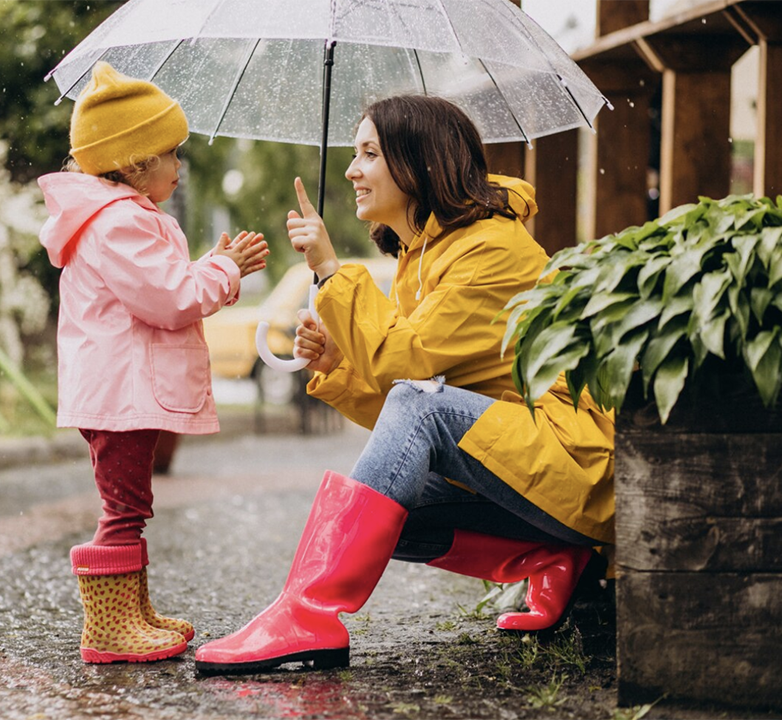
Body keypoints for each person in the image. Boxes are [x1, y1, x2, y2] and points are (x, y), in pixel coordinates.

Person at [194, 95, 614, 675]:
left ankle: (308, 613)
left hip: (572, 460)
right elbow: (407, 407)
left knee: (411, 428)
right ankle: (551, 554)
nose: (350, 170)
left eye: (369, 153)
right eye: (353, 153)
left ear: (418, 164)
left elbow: (407, 369)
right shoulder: (427, 255)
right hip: (526, 466)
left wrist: (331, 273)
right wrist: (338, 369)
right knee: (390, 510)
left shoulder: (490, 249)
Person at [38, 62, 268, 665]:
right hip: (121, 392)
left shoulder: (122, 218)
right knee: (124, 509)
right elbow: (170, 299)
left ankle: (131, 612)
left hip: (124, 388)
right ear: (136, 162)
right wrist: (228, 270)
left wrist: (211, 263)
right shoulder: (117, 223)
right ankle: (107, 630)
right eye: (171, 153)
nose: (179, 164)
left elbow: (163, 286)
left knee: (131, 506)